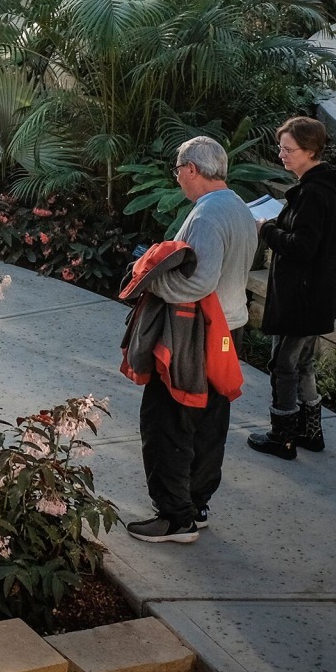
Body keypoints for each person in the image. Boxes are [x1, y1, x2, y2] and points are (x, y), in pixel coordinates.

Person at [125, 136, 258, 544]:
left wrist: (148, 280)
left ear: (192, 170)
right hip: (228, 329)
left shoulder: (206, 217)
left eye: (178, 170)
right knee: (209, 420)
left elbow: (198, 282)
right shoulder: (237, 207)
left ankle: (174, 517)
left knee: (167, 418)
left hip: (195, 331)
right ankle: (196, 506)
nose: (178, 178)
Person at [249, 116, 336, 459]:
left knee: (283, 363)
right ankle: (311, 432)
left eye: (288, 149)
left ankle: (283, 437)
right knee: (303, 362)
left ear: (310, 151)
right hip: (315, 295)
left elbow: (302, 246)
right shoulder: (325, 187)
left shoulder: (313, 193)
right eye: (280, 147)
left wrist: (267, 230)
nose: (281, 154)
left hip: (303, 296)